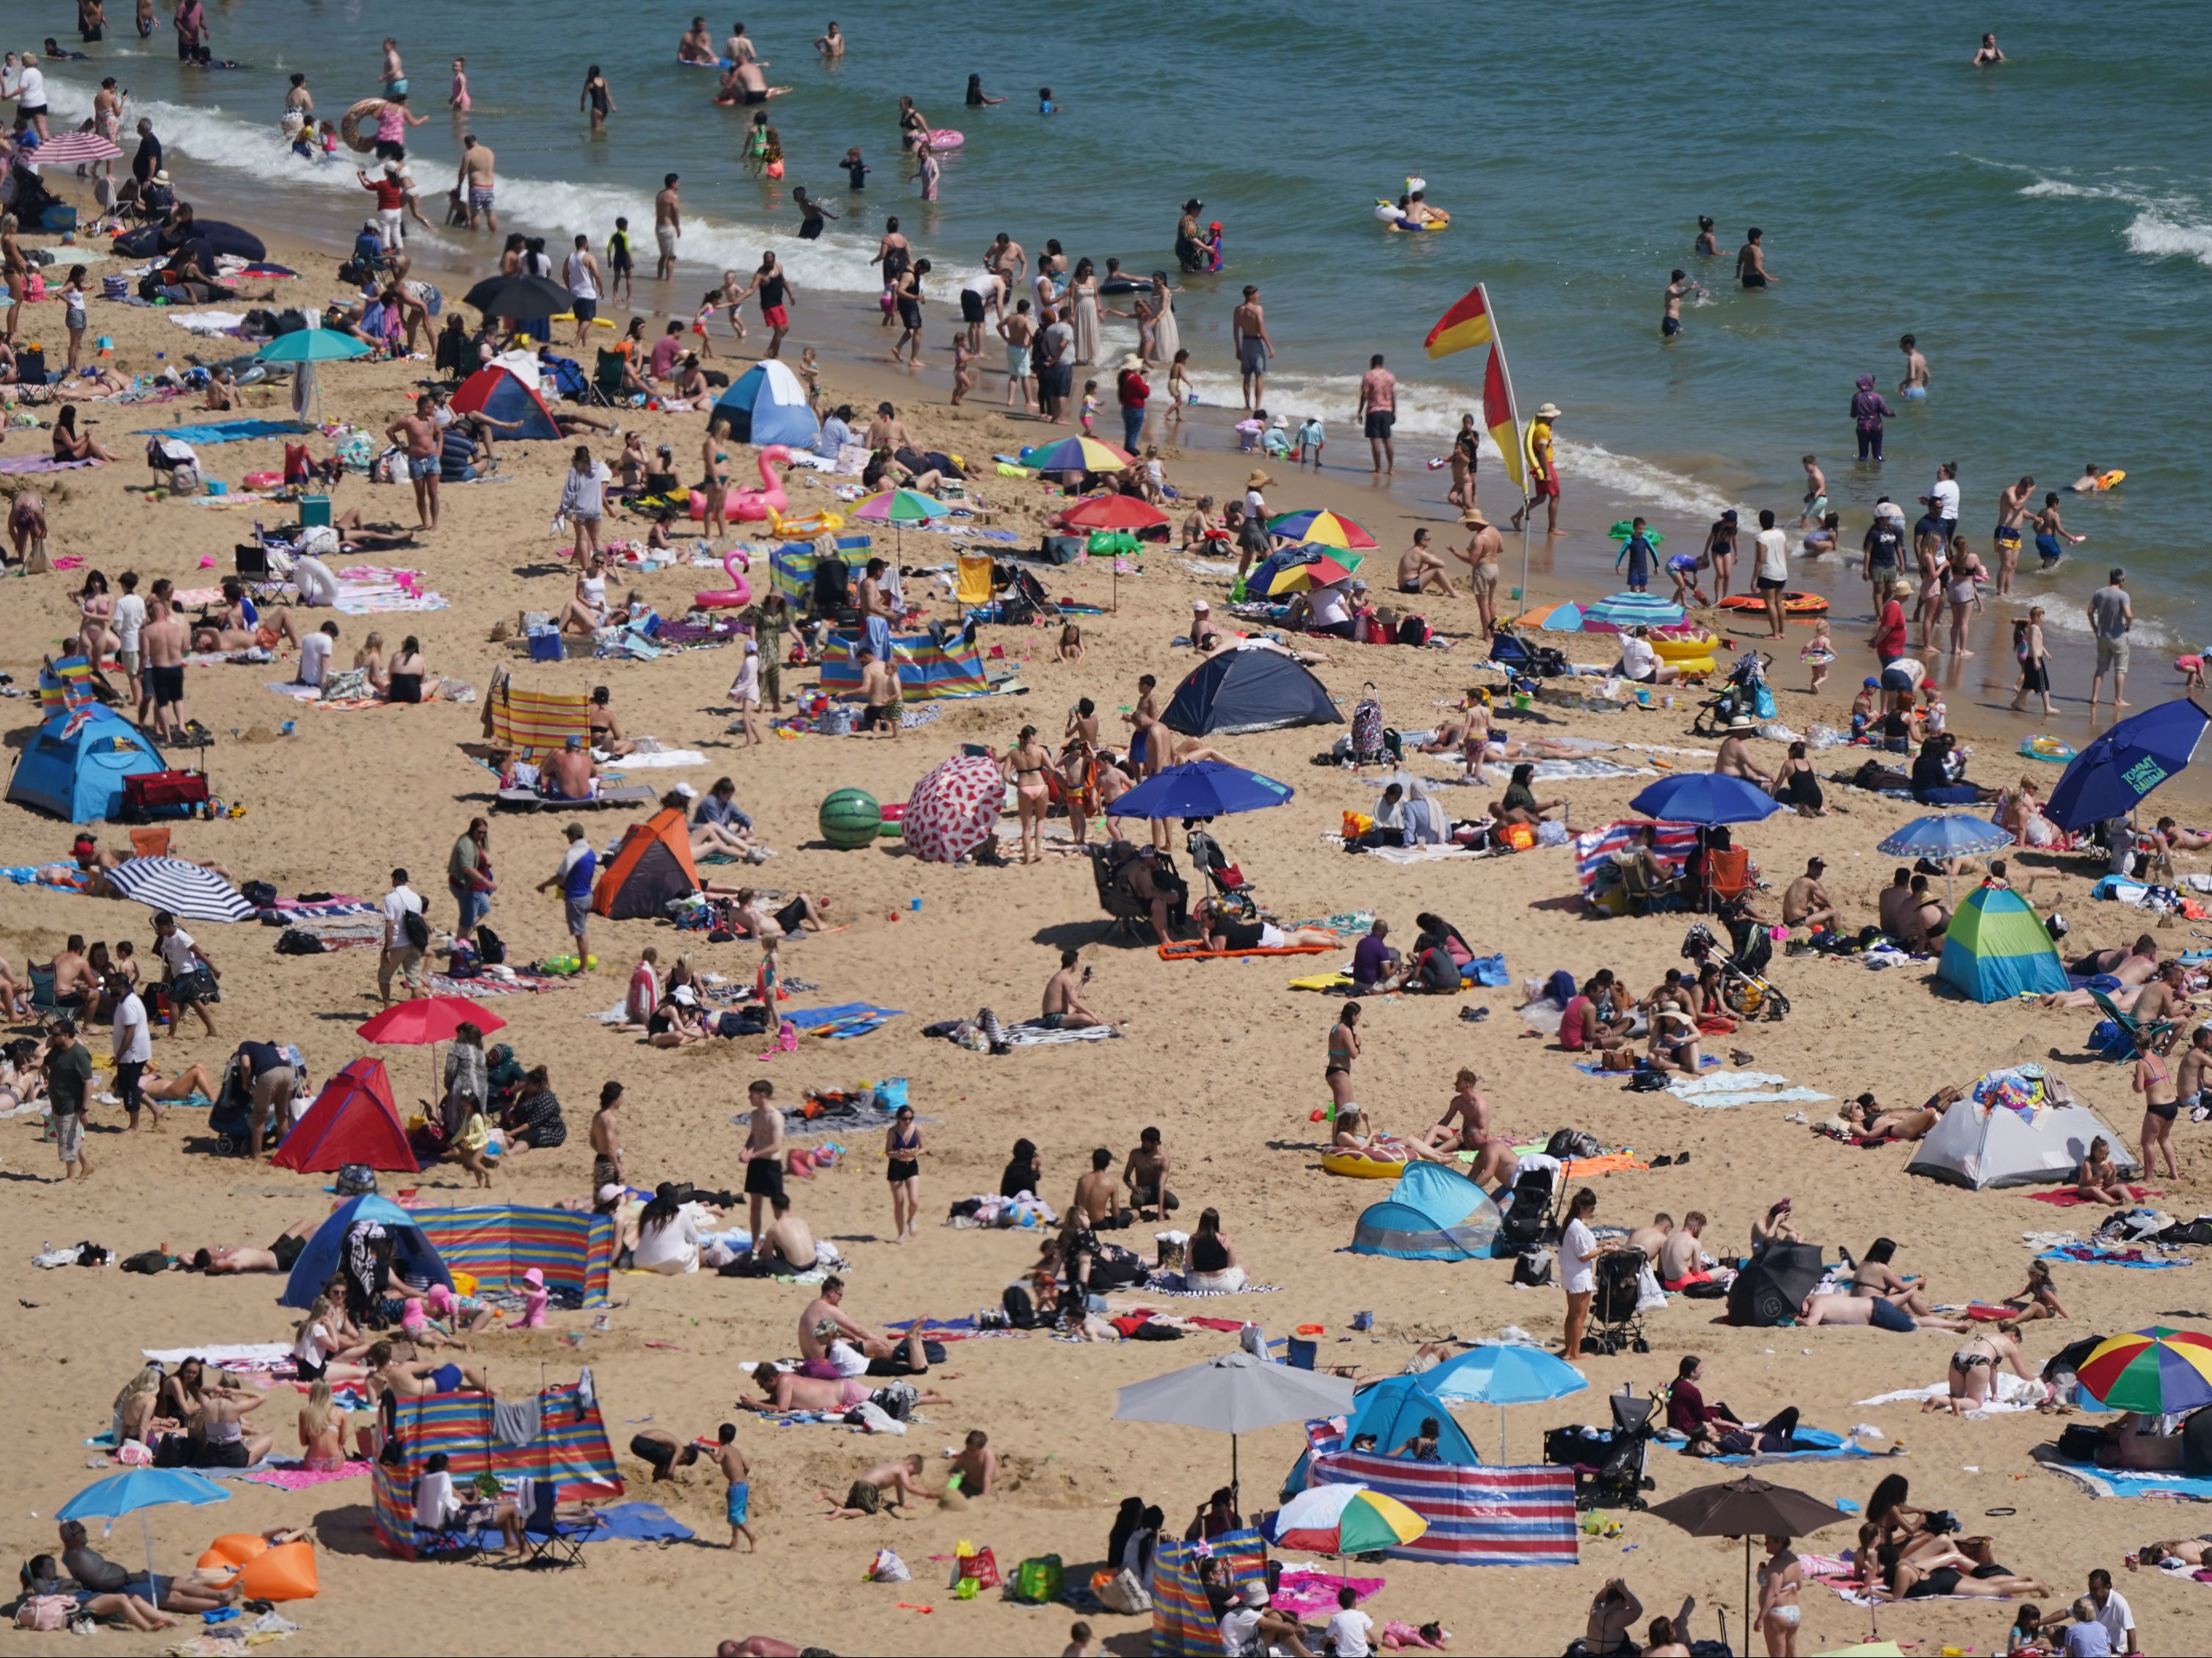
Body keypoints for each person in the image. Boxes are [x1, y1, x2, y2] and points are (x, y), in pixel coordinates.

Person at [739, 1078, 786, 1241]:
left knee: (778, 1206)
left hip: (771, 1164)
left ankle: (784, 1239)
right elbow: (754, 1135)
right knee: (755, 1207)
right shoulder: (754, 1115)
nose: (749, 1098)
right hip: (756, 1164)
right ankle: (755, 1242)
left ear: (762, 1095)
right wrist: (745, 1149)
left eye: (752, 1095)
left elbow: (776, 1146)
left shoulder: (775, 1117)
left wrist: (752, 1155)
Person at [1220, 1579, 1313, 1658]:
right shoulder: (1248, 1615)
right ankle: (1306, 1655)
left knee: (1275, 1616)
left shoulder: (1242, 1608)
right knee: (1277, 1626)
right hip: (1239, 1655)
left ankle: (1306, 1654)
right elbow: (1286, 1628)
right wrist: (1297, 1629)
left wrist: (1297, 1623)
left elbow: (1276, 1610)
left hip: (1241, 1648)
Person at [1561, 1188, 1600, 1356]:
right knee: (1579, 1316)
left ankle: (1570, 1350)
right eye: (1591, 1209)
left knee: (1572, 1314)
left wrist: (1602, 1244)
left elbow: (1585, 1246)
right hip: (1578, 1275)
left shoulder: (1571, 1223)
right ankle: (1575, 1353)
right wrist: (1604, 1250)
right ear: (1583, 1208)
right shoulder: (1575, 1227)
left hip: (1571, 1274)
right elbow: (1583, 1256)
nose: (1592, 1212)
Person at [1757, 1535, 1803, 1658]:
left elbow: (1773, 1593)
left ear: (1780, 1541)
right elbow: (1798, 1586)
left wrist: (1761, 1617)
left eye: (1769, 1541)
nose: (1765, 1543)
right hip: (1795, 1612)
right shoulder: (1795, 1560)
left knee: (1777, 1654)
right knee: (1791, 1652)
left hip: (1778, 1612)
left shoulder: (1776, 1564)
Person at [1041, 949, 1108, 1029]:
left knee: (1080, 1011)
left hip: (1059, 1014)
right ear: (1074, 964)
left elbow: (1074, 996)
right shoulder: (1065, 977)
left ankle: (1098, 1020)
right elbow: (1073, 1002)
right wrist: (1095, 1016)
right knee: (1084, 1018)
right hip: (1052, 1018)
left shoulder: (1062, 975)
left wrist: (1083, 982)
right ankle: (1100, 1022)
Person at [1230, 284, 1271, 413]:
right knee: (1259, 376)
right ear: (1251, 296)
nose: (1259, 296)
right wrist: (1270, 347)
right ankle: (1257, 406)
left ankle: (1247, 405)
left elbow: (1236, 332)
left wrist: (1238, 348)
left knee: (1246, 377)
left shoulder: (1238, 310)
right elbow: (1261, 329)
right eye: (1257, 294)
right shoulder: (1258, 309)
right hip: (1256, 343)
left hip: (1245, 343)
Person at [1123, 1126, 1177, 1220]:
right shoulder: (1135, 1154)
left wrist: (1160, 1213)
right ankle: (1138, 1210)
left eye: (1145, 1143)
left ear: (1155, 1144)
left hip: (1156, 1190)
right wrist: (1133, 1187)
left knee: (1174, 1203)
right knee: (1136, 1200)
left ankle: (1163, 1209)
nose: (1142, 1145)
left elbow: (1161, 1186)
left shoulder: (1163, 1159)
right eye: (1142, 1142)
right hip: (1142, 1190)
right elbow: (1126, 1177)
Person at [1357, 353, 1396, 474]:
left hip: (1373, 411)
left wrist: (1360, 411)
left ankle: (1378, 468)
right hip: (1386, 411)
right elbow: (1393, 396)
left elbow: (1364, 395)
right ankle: (1390, 469)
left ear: (1372, 363)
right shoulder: (1390, 376)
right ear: (1382, 363)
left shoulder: (1368, 376)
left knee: (1375, 441)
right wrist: (1394, 412)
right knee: (1387, 439)